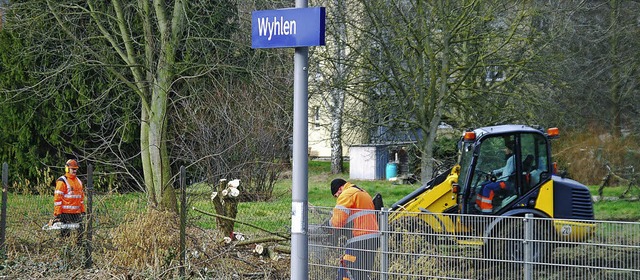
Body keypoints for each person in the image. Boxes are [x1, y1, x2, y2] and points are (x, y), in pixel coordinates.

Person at [329, 178, 380, 280]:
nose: (337, 197)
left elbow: (338, 222)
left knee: (346, 272)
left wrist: (328, 225)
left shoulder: (347, 194)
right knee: (362, 274)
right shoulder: (363, 192)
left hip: (359, 239)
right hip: (373, 238)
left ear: (339, 189)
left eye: (336, 196)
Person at [477, 140, 516, 213]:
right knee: (484, 184)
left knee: (488, 187)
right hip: (506, 181)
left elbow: (508, 173)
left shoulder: (512, 159)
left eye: (506, 148)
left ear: (510, 150)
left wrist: (498, 179)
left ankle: (486, 210)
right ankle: (479, 205)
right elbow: (505, 168)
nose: (505, 150)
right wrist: (494, 172)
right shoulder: (513, 158)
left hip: (506, 182)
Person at [52, 159, 86, 242]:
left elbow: (81, 199)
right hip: (65, 213)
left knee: (80, 232)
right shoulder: (62, 181)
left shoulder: (78, 181)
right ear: (67, 169)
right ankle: (65, 250)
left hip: (76, 214)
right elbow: (57, 199)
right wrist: (58, 214)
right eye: (72, 169)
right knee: (65, 234)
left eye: (75, 169)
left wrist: (83, 210)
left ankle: (79, 247)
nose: (74, 171)